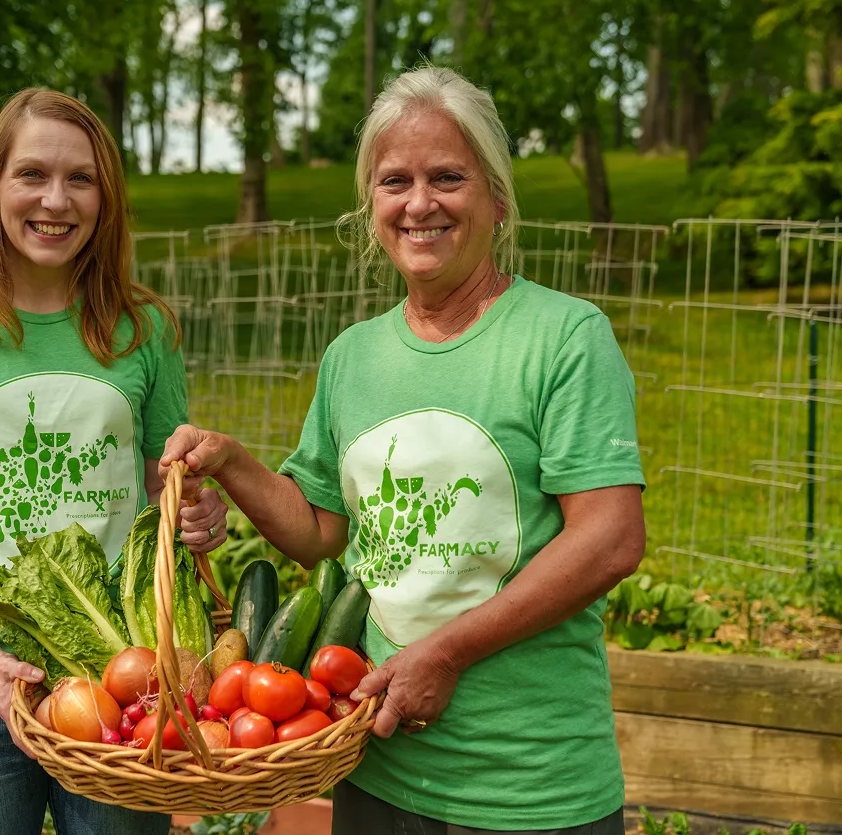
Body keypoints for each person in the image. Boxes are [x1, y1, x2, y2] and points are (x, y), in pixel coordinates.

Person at [161, 66, 646, 834]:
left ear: (496, 198)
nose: (419, 203)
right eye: (395, 181)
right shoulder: (353, 357)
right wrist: (230, 460)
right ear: (371, 207)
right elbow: (321, 530)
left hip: (527, 781)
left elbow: (611, 538)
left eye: (447, 177)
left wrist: (444, 655)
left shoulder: (562, 337)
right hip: (375, 765)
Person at [0, 88, 228, 835]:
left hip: (117, 692)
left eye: (80, 179)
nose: (55, 200)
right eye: (31, 174)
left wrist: (198, 514)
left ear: (106, 197)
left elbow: (168, 490)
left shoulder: (142, 328)